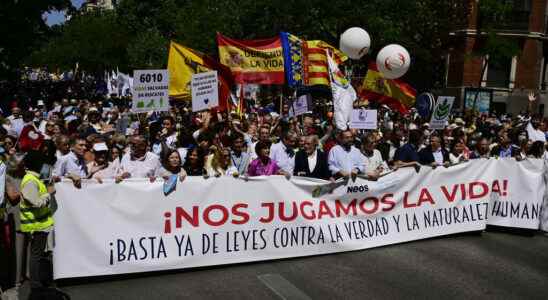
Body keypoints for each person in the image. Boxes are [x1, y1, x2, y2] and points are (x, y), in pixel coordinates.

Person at [19, 150, 56, 297]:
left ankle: (39, 282)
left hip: (41, 225)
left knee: (40, 255)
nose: (44, 166)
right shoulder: (29, 181)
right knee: (36, 256)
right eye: (42, 163)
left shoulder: (35, 179)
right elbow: (36, 203)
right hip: (36, 226)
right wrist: (49, 193)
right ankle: (36, 285)